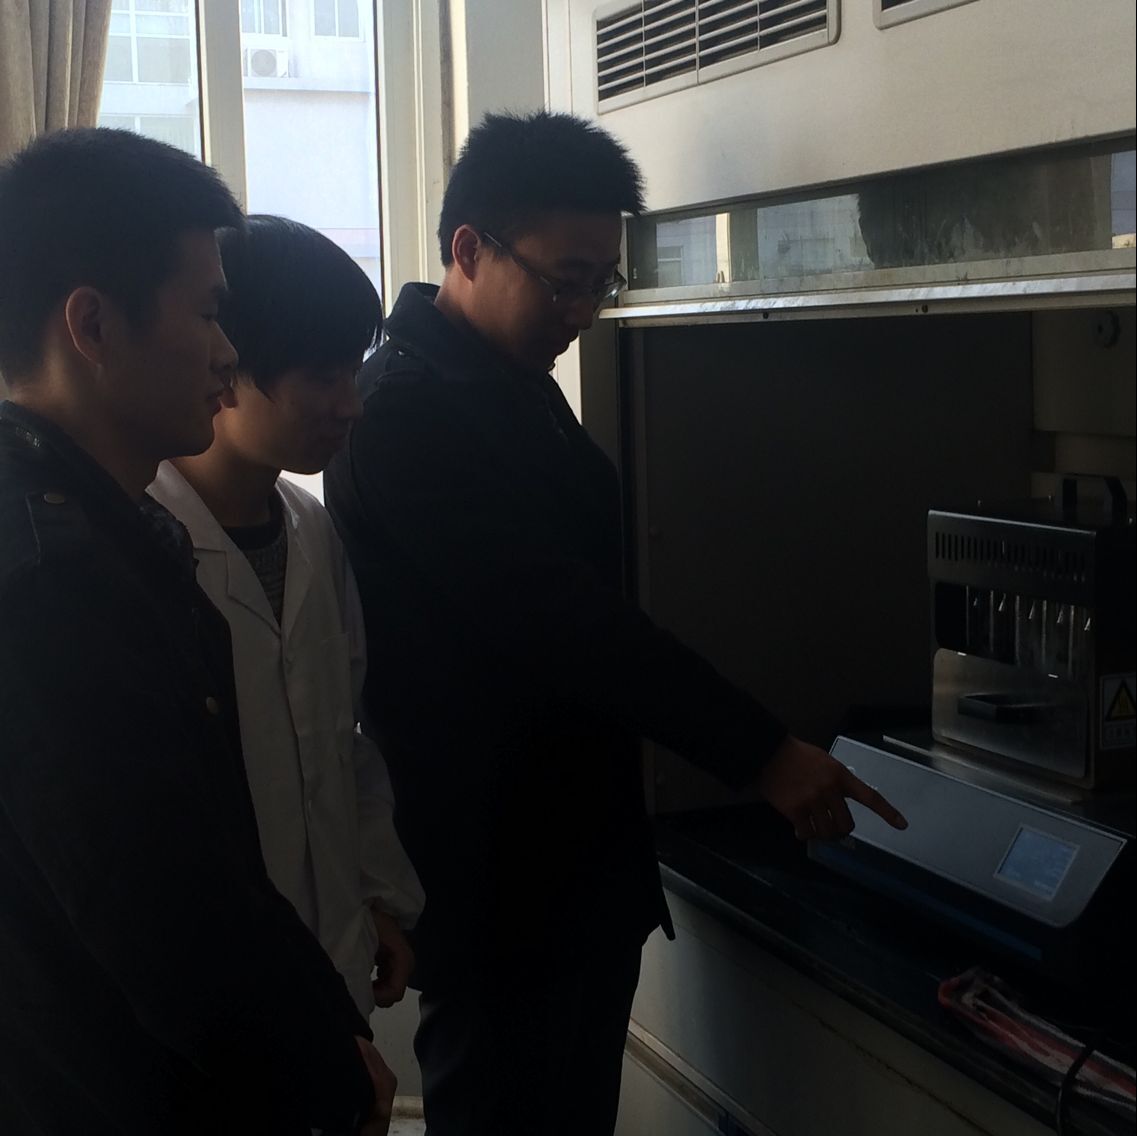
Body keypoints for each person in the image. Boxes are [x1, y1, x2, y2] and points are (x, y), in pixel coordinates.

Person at [324, 110, 909, 1136]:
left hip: (567, 876)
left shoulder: (502, 379)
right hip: (501, 889)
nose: (586, 310)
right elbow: (567, 622)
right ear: (468, 249)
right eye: (564, 279)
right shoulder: (407, 413)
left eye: (603, 280)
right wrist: (761, 751)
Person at [0, 129, 393, 1135]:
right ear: (93, 324)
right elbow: (155, 909)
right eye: (211, 313)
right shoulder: (49, 578)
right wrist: (317, 1064)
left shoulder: (111, 532)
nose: (226, 354)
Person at [148, 215, 423, 1023]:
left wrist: (377, 895)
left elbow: (340, 742)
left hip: (331, 951)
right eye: (322, 377)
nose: (350, 405)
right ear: (226, 364)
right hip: (205, 992)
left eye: (353, 372)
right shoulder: (138, 540)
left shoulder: (312, 530)